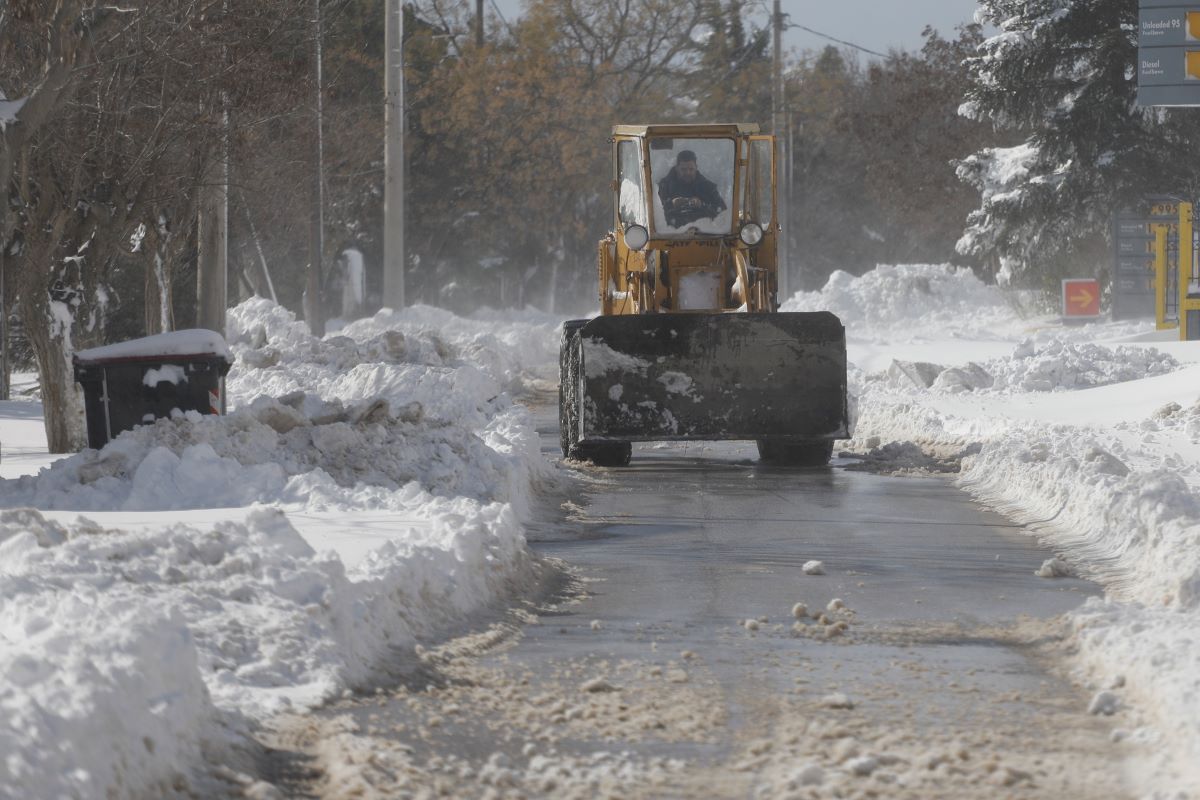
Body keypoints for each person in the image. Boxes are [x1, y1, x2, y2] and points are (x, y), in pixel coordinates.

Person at [657, 150, 726, 228]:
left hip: (705, 234)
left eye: (691, 169)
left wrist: (702, 205)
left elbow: (722, 212)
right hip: (669, 235)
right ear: (677, 168)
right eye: (683, 169)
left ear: (696, 168)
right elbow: (655, 215)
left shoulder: (708, 187)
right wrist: (672, 204)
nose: (688, 173)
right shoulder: (664, 186)